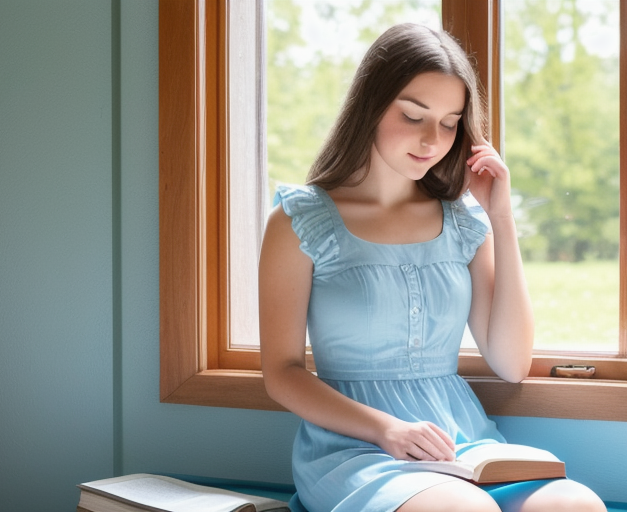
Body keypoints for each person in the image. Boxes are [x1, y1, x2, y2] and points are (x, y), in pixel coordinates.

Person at [258, 23, 607, 512]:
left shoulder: (464, 223)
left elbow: (510, 362)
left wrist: (500, 219)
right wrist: (388, 428)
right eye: (413, 116)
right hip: (355, 447)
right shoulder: (299, 219)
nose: (432, 140)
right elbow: (282, 373)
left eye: (449, 122)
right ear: (370, 106)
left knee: (578, 505)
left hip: (460, 442)